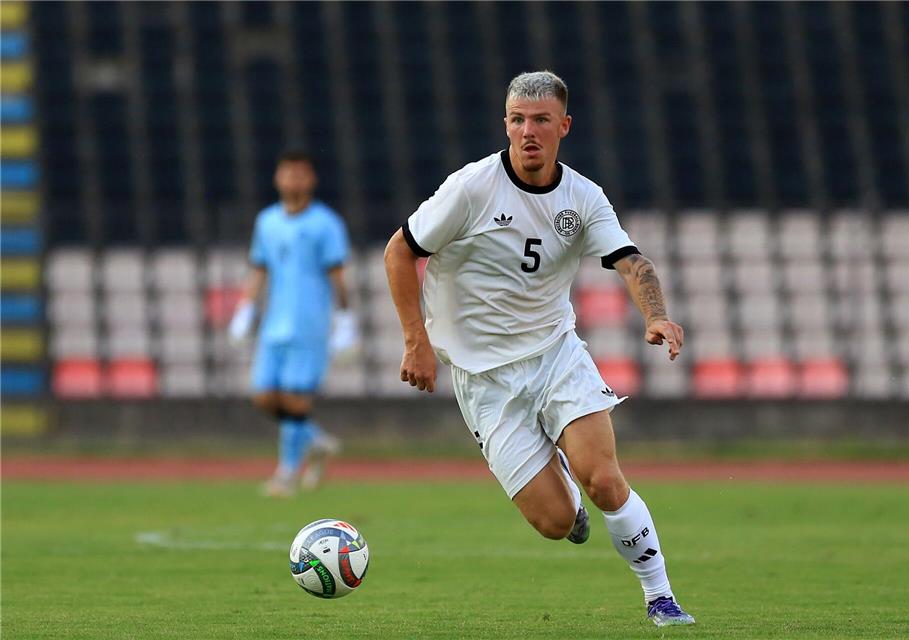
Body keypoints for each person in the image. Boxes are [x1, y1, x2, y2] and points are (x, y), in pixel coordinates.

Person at [383, 71, 695, 627]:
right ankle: (565, 493)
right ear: (506, 124)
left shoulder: (583, 197)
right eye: (517, 120)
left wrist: (657, 316)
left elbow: (632, 261)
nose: (528, 131)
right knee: (555, 523)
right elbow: (398, 251)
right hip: (484, 380)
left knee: (604, 476)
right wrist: (416, 341)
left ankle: (660, 596)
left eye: (541, 120)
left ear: (564, 127)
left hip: (555, 355)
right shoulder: (472, 188)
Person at [229, 149, 356, 497]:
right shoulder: (267, 221)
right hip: (274, 323)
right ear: (278, 178)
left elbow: (338, 274)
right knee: (265, 397)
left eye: (301, 174)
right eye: (288, 173)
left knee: (295, 399)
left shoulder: (325, 223)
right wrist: (244, 310)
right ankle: (316, 441)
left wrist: (345, 320)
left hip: (309, 323)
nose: (294, 180)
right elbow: (259, 268)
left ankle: (286, 473)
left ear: (311, 179)